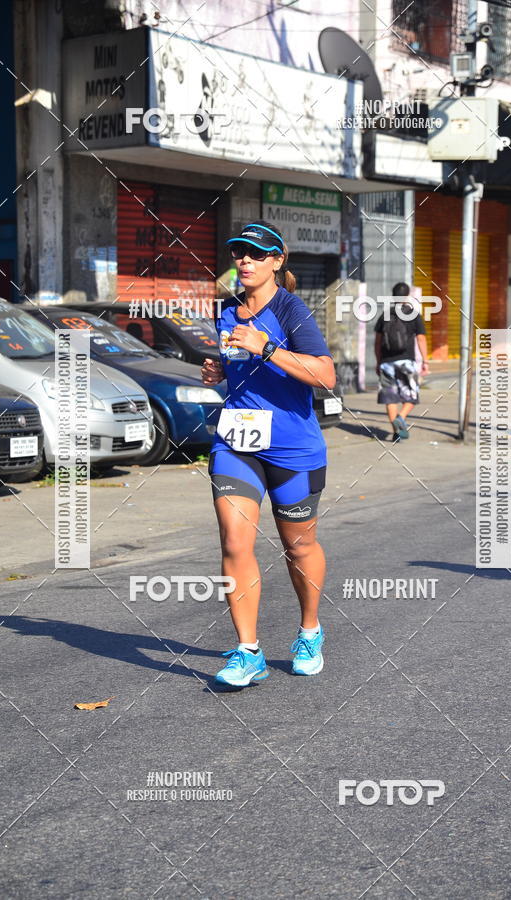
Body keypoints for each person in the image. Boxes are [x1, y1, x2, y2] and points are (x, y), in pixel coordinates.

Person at [201, 220, 336, 688]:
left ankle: (310, 631)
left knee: (298, 546)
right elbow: (243, 368)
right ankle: (248, 651)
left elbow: (325, 375)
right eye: (239, 251)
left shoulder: (291, 309)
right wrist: (220, 371)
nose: (245, 260)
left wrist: (266, 346)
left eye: (257, 254)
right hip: (236, 441)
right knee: (234, 541)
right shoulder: (225, 309)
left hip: (293, 447)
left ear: (277, 261)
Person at [374, 282, 429, 440]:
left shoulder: (385, 315)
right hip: (406, 361)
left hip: (387, 362)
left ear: (393, 295)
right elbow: (421, 339)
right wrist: (425, 361)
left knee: (390, 397)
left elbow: (377, 342)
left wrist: (378, 362)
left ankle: (396, 433)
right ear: (407, 296)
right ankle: (401, 417)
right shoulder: (414, 315)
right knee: (411, 394)